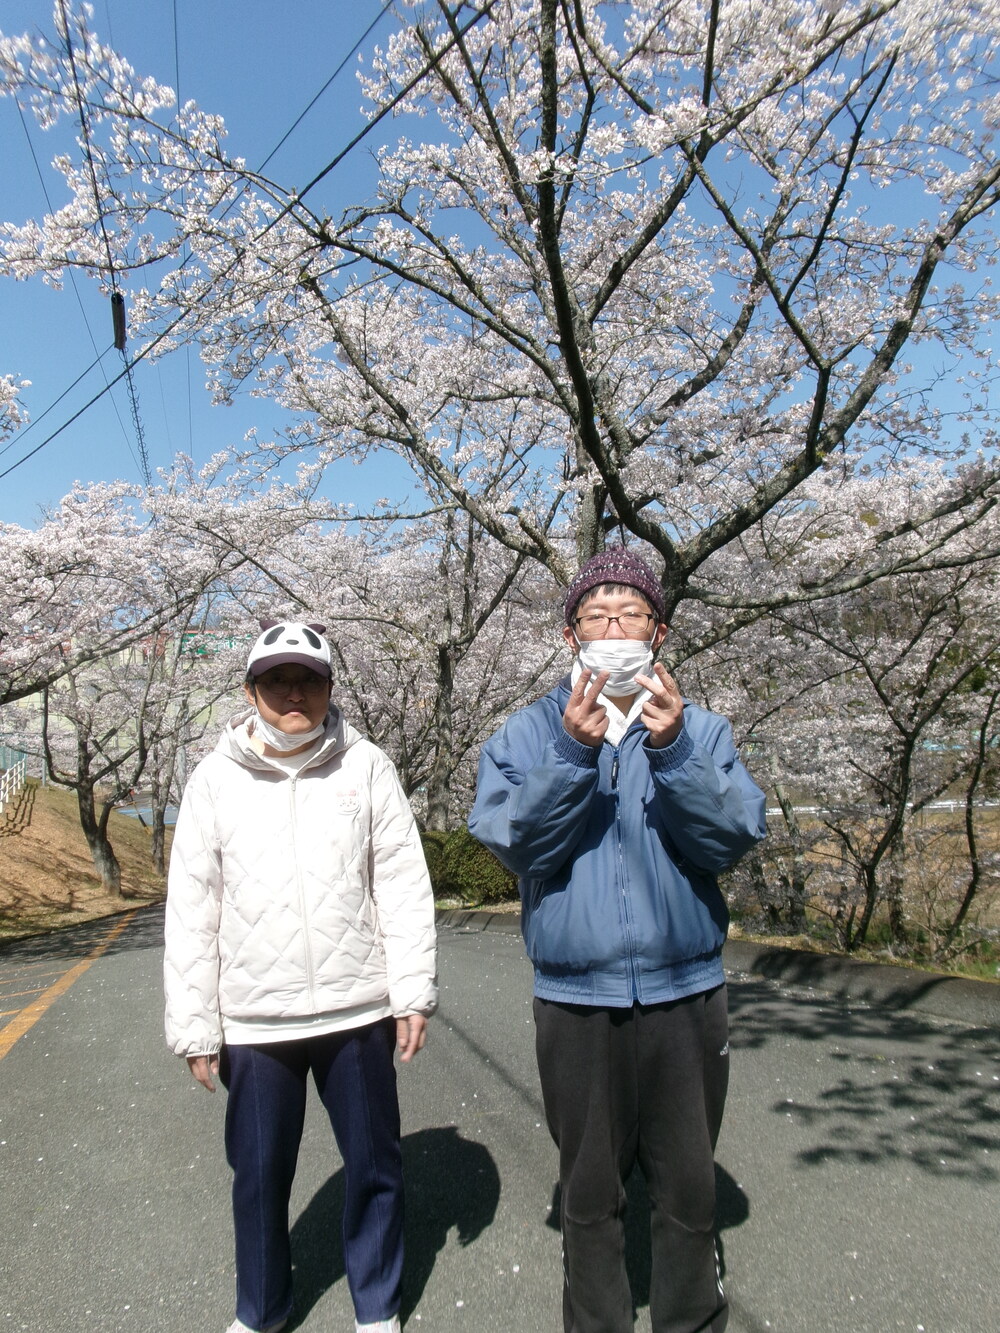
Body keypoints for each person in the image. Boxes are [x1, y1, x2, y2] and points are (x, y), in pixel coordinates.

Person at [468, 550, 766, 1333]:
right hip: (575, 999)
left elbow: (729, 838)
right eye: (596, 614)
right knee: (590, 1193)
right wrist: (572, 752)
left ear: (658, 631)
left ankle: (690, 1320)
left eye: (631, 612)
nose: (614, 626)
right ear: (571, 634)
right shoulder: (528, 732)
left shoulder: (701, 729)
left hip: (687, 992)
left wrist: (674, 753)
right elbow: (518, 845)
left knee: (689, 1190)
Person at [164, 620, 437, 1333]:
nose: (294, 693)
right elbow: (192, 906)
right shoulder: (214, 779)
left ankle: (376, 1305)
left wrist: (412, 990)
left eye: (309, 680)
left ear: (329, 689)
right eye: (278, 680)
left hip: (357, 1008)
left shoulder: (365, 765)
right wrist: (195, 1025)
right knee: (258, 1176)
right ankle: (262, 1309)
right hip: (255, 1019)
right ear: (250, 690)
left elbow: (401, 882)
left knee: (373, 1163)